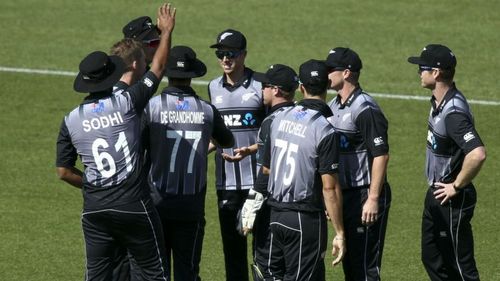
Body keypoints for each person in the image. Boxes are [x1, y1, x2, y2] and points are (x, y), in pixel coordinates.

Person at [55, 3, 176, 280]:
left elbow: (63, 171)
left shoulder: (70, 118)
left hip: (95, 208)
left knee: (97, 275)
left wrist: (92, 185)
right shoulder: (125, 103)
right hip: (133, 204)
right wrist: (167, 32)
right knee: (152, 273)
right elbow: (157, 69)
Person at [144, 45, 234, 281]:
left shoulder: (152, 107)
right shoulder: (206, 110)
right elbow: (227, 140)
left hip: (157, 202)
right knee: (188, 272)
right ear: (193, 75)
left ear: (167, 73)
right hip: (191, 206)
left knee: (156, 272)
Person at [261, 60, 345, 281]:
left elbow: (267, 168)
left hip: (275, 215)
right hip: (304, 218)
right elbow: (330, 187)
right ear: (328, 85)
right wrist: (340, 232)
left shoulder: (278, 119)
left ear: (301, 88)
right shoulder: (324, 129)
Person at [408, 44, 486, 281]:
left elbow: (478, 153)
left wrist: (456, 186)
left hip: (450, 197)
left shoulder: (453, 112)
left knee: (459, 267)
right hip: (436, 192)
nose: (419, 72)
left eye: (423, 68)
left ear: (437, 73)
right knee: (433, 257)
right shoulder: (439, 102)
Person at [324, 47, 391, 281]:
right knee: (351, 265)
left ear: (346, 73)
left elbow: (381, 154)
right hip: (345, 194)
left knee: (365, 268)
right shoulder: (334, 106)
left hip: (364, 195)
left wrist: (373, 198)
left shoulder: (365, 108)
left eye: (330, 69)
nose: (326, 74)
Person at [208, 28, 266, 281]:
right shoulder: (212, 87)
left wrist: (253, 150)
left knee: (263, 251)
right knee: (233, 252)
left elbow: (274, 133)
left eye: (230, 53)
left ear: (243, 55)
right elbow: (215, 136)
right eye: (221, 53)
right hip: (226, 184)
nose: (225, 59)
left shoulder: (261, 86)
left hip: (259, 182)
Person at [237, 64, 297, 280]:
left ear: (276, 90)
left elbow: (267, 169)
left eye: (265, 86)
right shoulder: (303, 117)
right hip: (301, 208)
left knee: (267, 271)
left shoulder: (271, 121)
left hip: (273, 208)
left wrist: (251, 203)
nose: (261, 90)